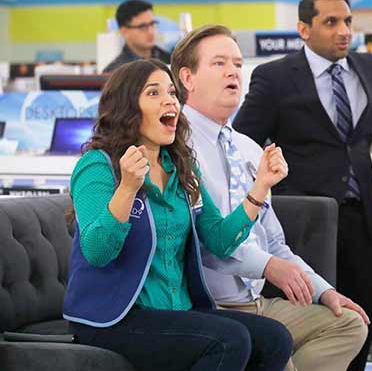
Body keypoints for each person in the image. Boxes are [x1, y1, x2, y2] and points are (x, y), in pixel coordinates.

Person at [233, 0, 372, 370]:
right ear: (304, 29)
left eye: (348, 21)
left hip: (363, 220)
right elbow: (241, 143)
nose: (344, 31)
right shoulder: (274, 77)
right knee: (308, 326)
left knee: (359, 321)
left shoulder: (371, 67)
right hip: (303, 227)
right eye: (331, 22)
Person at [63, 59, 293, 371]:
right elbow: (97, 251)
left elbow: (219, 240)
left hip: (177, 311)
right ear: (127, 108)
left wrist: (261, 186)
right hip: (114, 317)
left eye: (171, 92)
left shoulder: (180, 166)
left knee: (275, 338)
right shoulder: (97, 166)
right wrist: (127, 188)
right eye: (154, 93)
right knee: (229, 340)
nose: (170, 100)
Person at [170, 24, 369, 371]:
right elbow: (203, 243)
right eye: (219, 63)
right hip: (206, 307)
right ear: (188, 78)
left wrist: (323, 290)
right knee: (274, 349)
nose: (233, 72)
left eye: (237, 63)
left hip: (257, 302)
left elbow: (274, 242)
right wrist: (268, 267)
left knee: (349, 324)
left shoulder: (248, 148)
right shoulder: (175, 146)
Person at [103, 0, 171, 73]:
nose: (151, 32)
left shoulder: (172, 60)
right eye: (143, 27)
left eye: (152, 24)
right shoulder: (115, 72)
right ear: (124, 31)